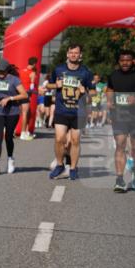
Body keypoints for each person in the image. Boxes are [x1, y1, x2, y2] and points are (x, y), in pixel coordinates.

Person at [48, 44, 96, 180]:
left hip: (78, 112)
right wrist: (55, 85)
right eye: (71, 52)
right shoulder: (58, 69)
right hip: (62, 110)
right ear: (67, 54)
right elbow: (48, 85)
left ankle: (73, 168)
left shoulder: (86, 72)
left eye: (76, 53)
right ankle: (59, 164)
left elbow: (93, 93)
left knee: (75, 141)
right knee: (59, 139)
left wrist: (85, 91)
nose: (73, 55)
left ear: (80, 55)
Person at [106, 51, 135, 192]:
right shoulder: (114, 75)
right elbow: (110, 88)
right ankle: (119, 179)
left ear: (133, 61)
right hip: (119, 115)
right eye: (122, 60)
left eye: (128, 60)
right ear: (119, 61)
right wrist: (109, 100)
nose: (125, 63)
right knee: (120, 144)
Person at [0, 59, 27, 174]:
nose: (0, 73)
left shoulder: (14, 80)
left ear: (7, 70)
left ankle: (10, 159)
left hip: (12, 111)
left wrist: (10, 98)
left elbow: (24, 94)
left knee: (8, 137)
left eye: (2, 71)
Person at [19, 57, 38, 140]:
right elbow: (32, 86)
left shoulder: (21, 71)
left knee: (27, 113)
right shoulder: (32, 73)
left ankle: (26, 131)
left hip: (19, 93)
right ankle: (23, 133)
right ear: (34, 64)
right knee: (25, 113)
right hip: (26, 94)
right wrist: (35, 92)